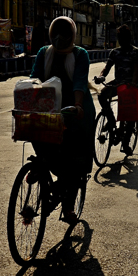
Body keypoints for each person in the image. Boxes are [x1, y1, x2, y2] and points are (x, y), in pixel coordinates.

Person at [28, 16, 96, 224]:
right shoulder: (43, 53)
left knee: (76, 163)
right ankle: (45, 172)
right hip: (49, 109)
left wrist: (77, 106)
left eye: (65, 34)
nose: (60, 38)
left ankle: (68, 209)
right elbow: (35, 79)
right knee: (38, 138)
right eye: (56, 33)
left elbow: (79, 83)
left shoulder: (80, 54)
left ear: (72, 35)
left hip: (76, 112)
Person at [96, 24, 138, 155]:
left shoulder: (135, 52)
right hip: (118, 83)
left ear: (129, 38)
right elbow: (107, 68)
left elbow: (136, 70)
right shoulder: (114, 52)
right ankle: (111, 121)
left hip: (130, 85)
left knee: (130, 114)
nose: (121, 40)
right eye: (119, 38)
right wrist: (101, 77)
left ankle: (126, 143)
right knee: (102, 95)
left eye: (124, 38)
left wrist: (133, 84)